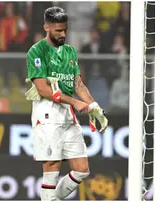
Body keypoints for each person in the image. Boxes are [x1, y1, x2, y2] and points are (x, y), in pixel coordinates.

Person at [25, 6, 108, 201]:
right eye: (58, 30)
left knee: (81, 170)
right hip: (47, 114)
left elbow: (78, 85)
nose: (62, 34)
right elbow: (43, 89)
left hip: (67, 114)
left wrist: (94, 107)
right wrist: (76, 102)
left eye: (65, 30)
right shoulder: (37, 52)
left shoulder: (70, 52)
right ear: (46, 27)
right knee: (52, 166)